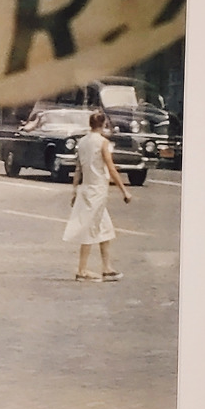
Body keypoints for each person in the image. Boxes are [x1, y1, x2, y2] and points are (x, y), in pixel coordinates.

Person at [63, 110, 132, 281]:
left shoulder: (82, 142)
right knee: (90, 228)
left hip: (86, 188)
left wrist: (74, 190)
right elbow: (111, 168)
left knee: (104, 229)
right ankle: (82, 270)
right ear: (104, 124)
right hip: (98, 190)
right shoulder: (103, 142)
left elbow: (78, 168)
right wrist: (124, 190)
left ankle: (107, 268)